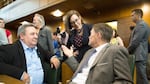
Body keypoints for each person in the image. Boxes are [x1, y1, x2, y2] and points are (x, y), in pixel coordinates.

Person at [61, 23, 133, 84]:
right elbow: (80, 71)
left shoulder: (115, 50)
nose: (88, 37)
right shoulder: (89, 52)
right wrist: (70, 56)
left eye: (91, 34)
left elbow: (125, 81)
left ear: (99, 35)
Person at [127, 9, 149, 84]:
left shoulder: (141, 25)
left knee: (142, 77)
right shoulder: (139, 25)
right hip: (138, 54)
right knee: (139, 77)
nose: (131, 17)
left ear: (138, 15)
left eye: (132, 15)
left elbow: (135, 41)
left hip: (140, 54)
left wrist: (127, 51)